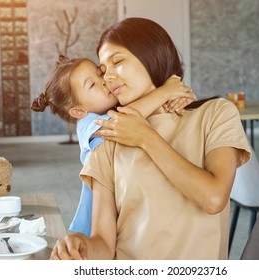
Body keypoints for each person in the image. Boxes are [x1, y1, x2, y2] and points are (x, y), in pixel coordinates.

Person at [50, 17, 251, 260]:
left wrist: (145, 137)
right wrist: (81, 245)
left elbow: (213, 198)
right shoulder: (109, 136)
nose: (108, 77)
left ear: (151, 54)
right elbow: (103, 243)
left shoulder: (216, 114)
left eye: (118, 62)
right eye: (103, 70)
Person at [31, 55, 195, 237]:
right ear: (79, 111)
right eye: (92, 85)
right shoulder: (86, 125)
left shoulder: (118, 104)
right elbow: (124, 121)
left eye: (100, 74)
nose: (104, 81)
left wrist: (177, 97)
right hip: (98, 225)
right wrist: (164, 92)